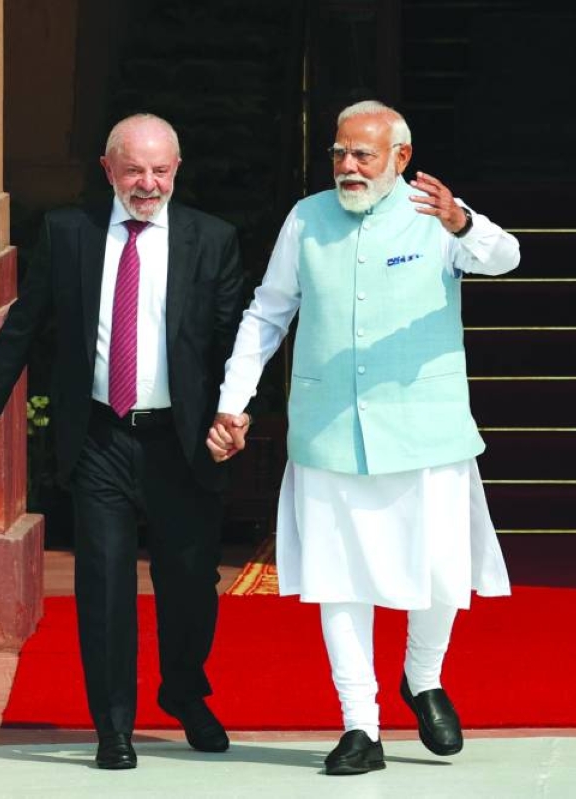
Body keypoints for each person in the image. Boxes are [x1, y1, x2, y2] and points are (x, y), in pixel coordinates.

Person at [208, 100, 519, 776]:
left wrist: (463, 221)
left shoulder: (435, 212)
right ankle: (360, 723)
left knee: (442, 571)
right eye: (339, 153)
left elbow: (505, 257)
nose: (348, 167)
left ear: (400, 159)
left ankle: (424, 675)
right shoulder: (306, 218)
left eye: (364, 156)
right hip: (328, 431)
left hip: (425, 427)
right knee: (338, 579)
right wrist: (235, 400)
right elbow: (269, 311)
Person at [0, 113, 243, 770]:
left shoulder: (213, 239)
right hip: (99, 435)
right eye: (134, 169)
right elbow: (25, 324)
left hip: (181, 440)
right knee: (104, 582)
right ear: (108, 169)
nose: (147, 183)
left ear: (177, 170)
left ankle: (181, 689)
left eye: (160, 170)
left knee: (190, 582)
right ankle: (112, 724)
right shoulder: (69, 233)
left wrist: (236, 414)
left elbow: (236, 340)